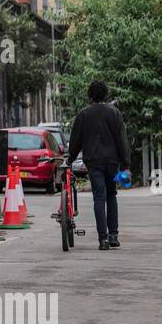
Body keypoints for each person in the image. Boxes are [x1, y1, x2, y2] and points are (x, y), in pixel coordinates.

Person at [66, 80, 130, 251]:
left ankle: (103, 239)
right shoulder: (114, 113)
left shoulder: (83, 115)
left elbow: (76, 141)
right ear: (106, 95)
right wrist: (125, 164)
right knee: (111, 195)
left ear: (90, 96)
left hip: (93, 163)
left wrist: (70, 159)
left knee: (99, 197)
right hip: (112, 162)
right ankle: (113, 235)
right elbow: (121, 140)